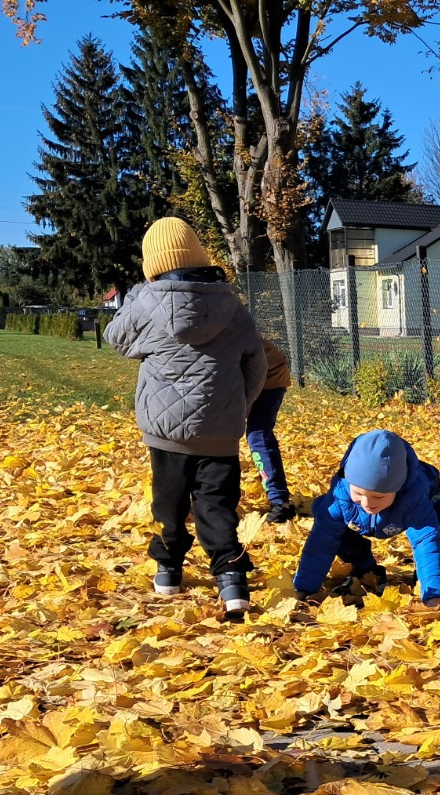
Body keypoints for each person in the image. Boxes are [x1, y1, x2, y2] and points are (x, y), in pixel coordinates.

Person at [105, 217, 266, 621]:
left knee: (169, 503)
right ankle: (231, 581)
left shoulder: (144, 303)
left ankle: (168, 571)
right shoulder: (231, 304)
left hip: (164, 431)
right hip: (220, 430)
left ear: (152, 263)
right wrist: (238, 405)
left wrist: (141, 293)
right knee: (218, 505)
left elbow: (116, 338)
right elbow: (257, 363)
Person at [293, 429, 440, 608]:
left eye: (378, 497)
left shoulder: (413, 497)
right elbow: (321, 543)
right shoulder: (341, 495)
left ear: (398, 488)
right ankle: (366, 569)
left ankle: (424, 577)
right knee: (323, 512)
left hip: (397, 517)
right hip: (356, 524)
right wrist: (304, 588)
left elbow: (426, 541)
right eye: (358, 493)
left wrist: (433, 595)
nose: (367, 503)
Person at [247, 336, 296, 523]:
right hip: (246, 376)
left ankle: (280, 502)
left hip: (268, 378)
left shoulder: (219, 319)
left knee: (258, 435)